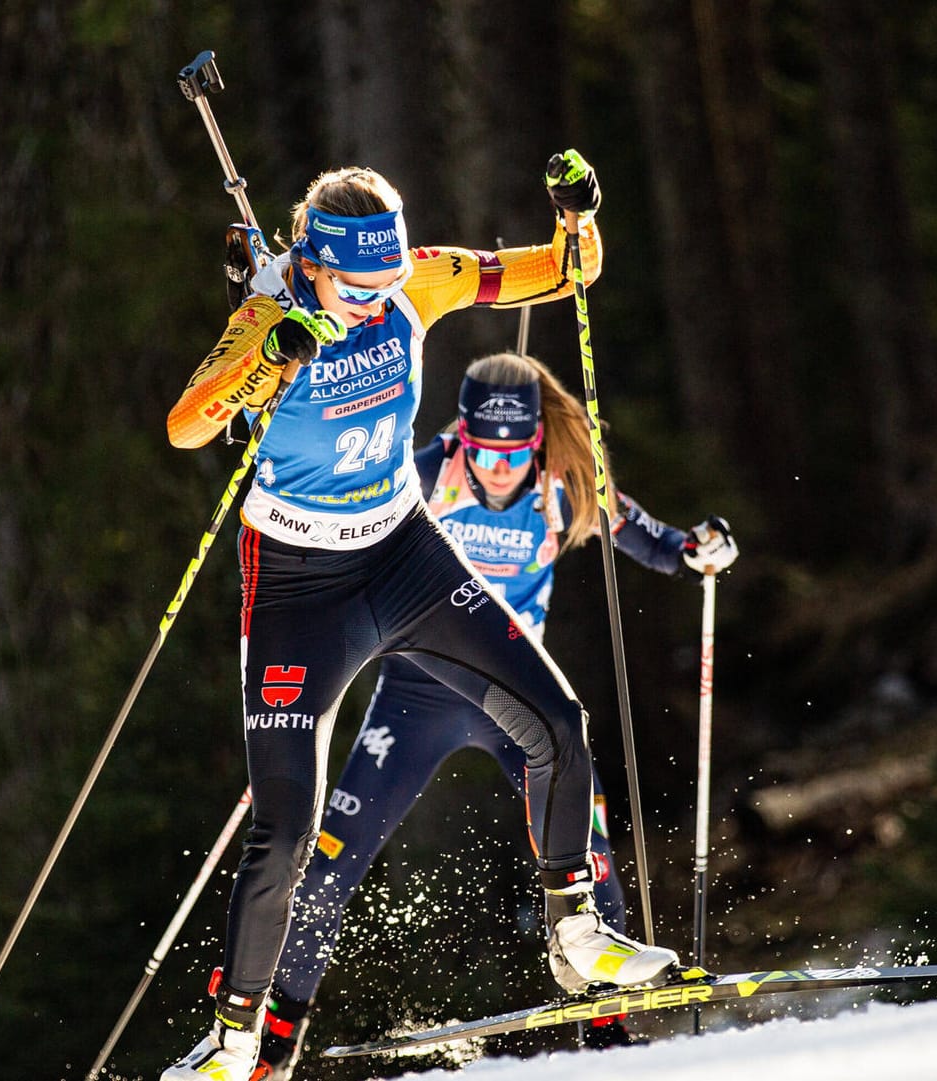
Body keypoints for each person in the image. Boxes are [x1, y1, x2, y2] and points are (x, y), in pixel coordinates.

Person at [160, 152, 681, 1081]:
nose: (375, 299)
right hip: (297, 587)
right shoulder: (264, 316)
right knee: (284, 825)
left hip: (404, 555)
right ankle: (233, 1039)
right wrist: (267, 363)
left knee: (558, 719)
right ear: (314, 263)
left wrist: (578, 218)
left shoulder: (421, 281)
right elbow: (188, 425)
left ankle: (576, 931)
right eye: (358, 286)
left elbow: (567, 271)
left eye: (387, 279)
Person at [254, 351, 740, 1077]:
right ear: (462, 434)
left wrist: (698, 551)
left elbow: (651, 540)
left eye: (516, 451)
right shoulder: (419, 476)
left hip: (513, 703)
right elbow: (336, 549)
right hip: (412, 700)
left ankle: (606, 1030)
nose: (502, 467)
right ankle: (272, 1043)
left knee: (588, 842)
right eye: (485, 450)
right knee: (325, 869)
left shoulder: (565, 484)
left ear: (536, 440)